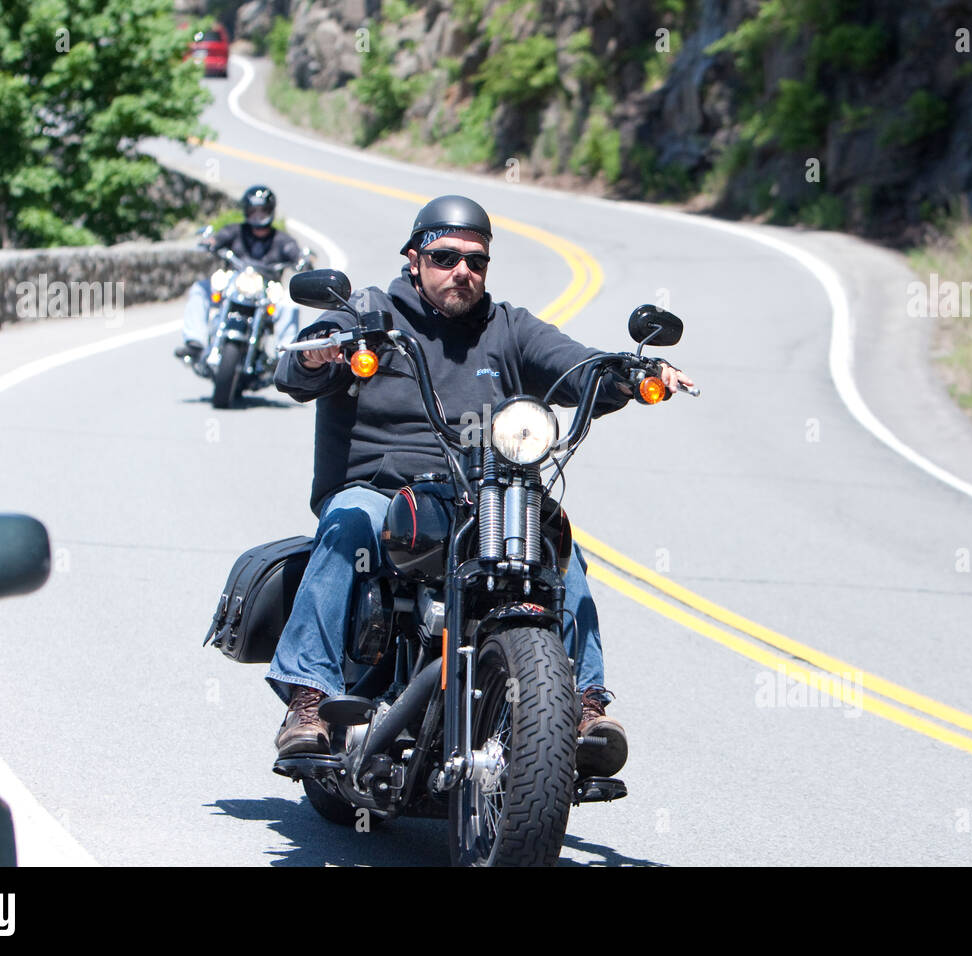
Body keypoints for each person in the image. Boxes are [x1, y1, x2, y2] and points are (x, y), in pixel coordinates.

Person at [266, 195, 695, 779]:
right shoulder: (371, 313)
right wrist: (320, 351)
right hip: (384, 490)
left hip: (487, 496)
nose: (462, 271)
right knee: (347, 524)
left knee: (559, 549)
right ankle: (309, 701)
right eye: (445, 256)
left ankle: (584, 706)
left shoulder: (509, 328)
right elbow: (298, 366)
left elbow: (576, 364)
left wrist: (630, 371)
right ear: (414, 259)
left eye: (476, 260)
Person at [176, 184, 305, 364]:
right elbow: (218, 238)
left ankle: (285, 358)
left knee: (289, 305)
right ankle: (194, 342)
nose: (258, 216)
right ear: (246, 211)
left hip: (267, 289)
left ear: (270, 211)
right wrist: (210, 242)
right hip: (233, 283)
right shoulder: (235, 231)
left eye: (262, 211)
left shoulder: (282, 240)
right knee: (200, 289)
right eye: (253, 211)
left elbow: (296, 253)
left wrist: (302, 261)